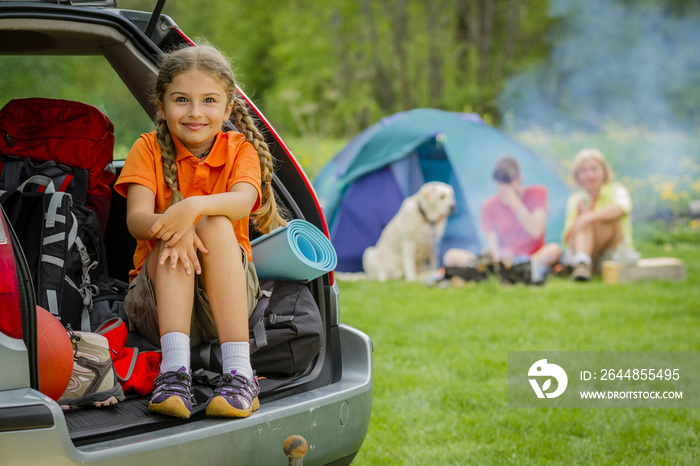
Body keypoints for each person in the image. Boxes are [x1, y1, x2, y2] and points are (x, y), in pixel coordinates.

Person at [114, 45, 286, 419]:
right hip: (156, 306)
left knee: (214, 222)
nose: (195, 112)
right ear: (161, 106)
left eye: (208, 100)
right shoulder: (147, 148)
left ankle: (240, 374)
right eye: (181, 100)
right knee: (173, 237)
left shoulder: (240, 150)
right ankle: (174, 374)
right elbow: (135, 219)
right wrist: (175, 228)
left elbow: (243, 202)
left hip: (226, 305)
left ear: (227, 109)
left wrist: (189, 209)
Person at [480, 155, 562, 283]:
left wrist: (514, 202)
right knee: (453, 256)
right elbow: (492, 242)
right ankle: (512, 273)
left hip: (534, 256)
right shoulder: (489, 205)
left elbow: (536, 232)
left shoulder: (537, 193)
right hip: (507, 258)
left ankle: (525, 270)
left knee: (554, 250)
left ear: (519, 177)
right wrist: (499, 260)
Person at [563, 148, 633, 281]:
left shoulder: (617, 190)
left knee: (604, 220)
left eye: (594, 169)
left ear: (604, 171)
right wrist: (580, 218)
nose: (589, 175)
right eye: (584, 171)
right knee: (584, 223)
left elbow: (621, 209)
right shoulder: (575, 200)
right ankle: (582, 263)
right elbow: (568, 238)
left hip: (613, 243)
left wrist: (589, 217)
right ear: (577, 175)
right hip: (588, 245)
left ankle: (582, 263)